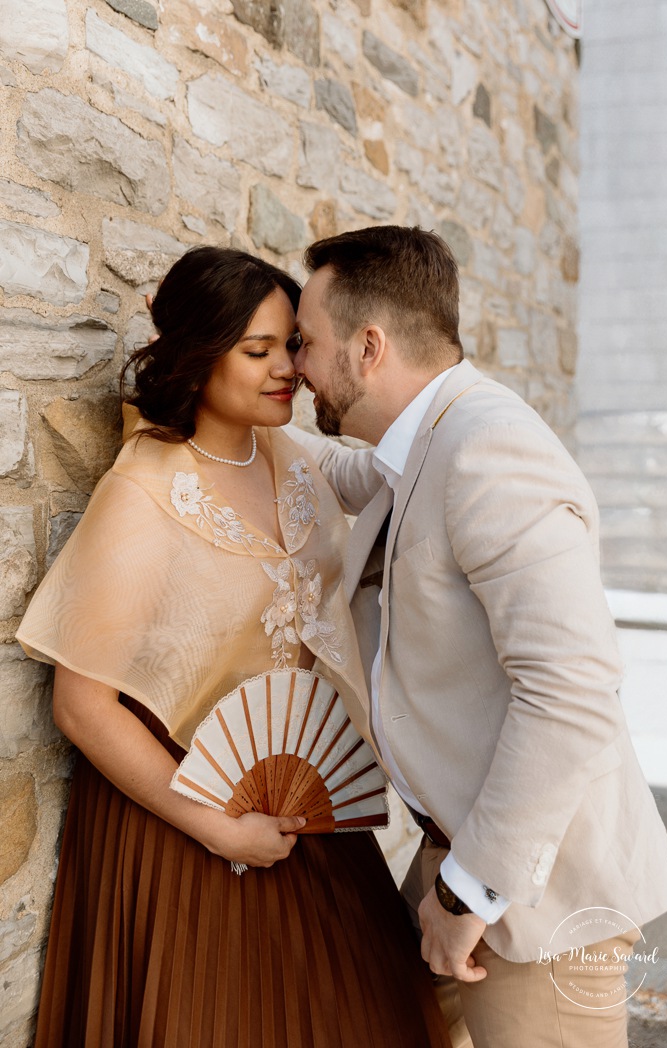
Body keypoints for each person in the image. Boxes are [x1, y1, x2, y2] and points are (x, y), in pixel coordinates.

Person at [17, 246, 452, 1048]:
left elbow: (398, 479)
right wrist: (215, 827)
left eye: (290, 344)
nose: (287, 368)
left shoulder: (291, 457)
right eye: (257, 352)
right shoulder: (142, 494)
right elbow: (80, 707)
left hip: (303, 803)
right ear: (196, 357)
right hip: (177, 812)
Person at [288, 225, 667, 1048]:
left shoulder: (487, 450)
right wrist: (216, 382)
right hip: (460, 864)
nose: (295, 367)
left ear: (368, 348)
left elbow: (570, 690)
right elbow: (333, 472)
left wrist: (465, 894)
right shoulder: (420, 445)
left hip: (539, 899)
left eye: (304, 344)